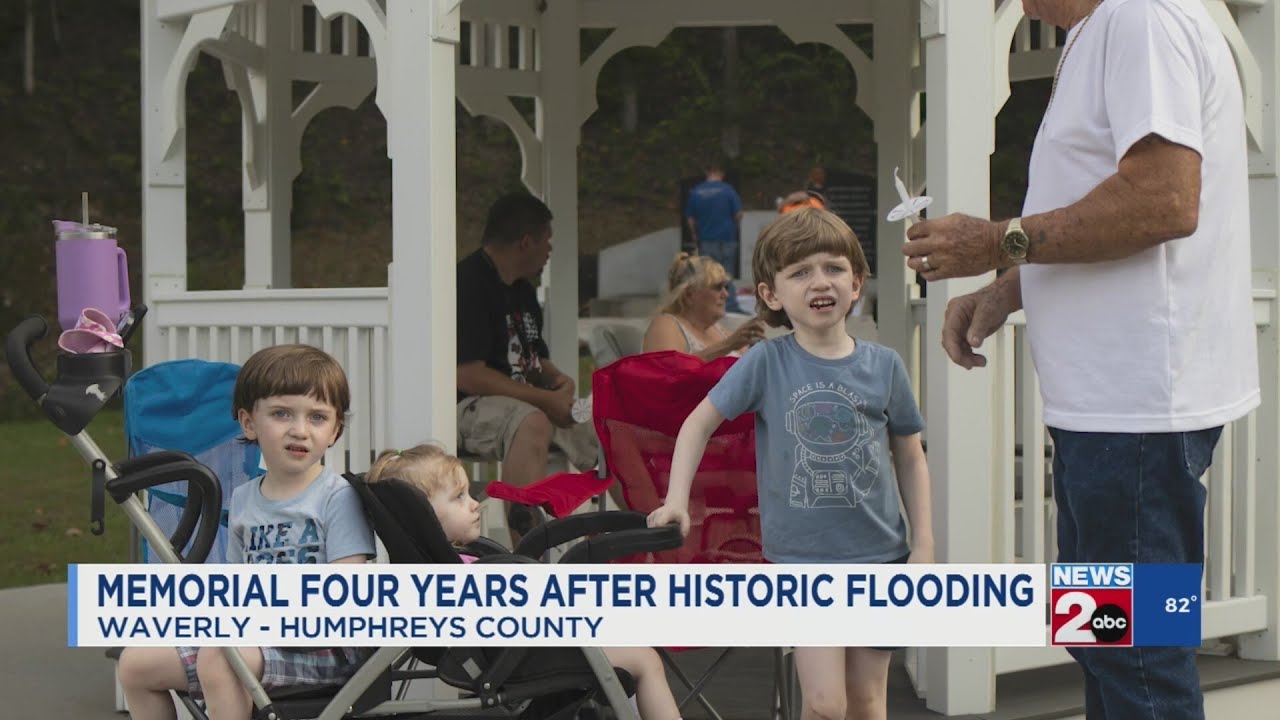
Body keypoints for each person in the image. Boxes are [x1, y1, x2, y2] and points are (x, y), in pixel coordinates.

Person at [900, 1, 1258, 718]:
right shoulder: (1109, 29)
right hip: (1116, 414)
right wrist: (1008, 289)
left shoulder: (1140, 19)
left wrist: (996, 241)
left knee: (1136, 658)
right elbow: (1107, 207)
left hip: (1135, 417)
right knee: (1106, 641)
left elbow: (1163, 201)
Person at [648, 208, 933, 720]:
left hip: (883, 558)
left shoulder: (885, 365)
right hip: (802, 565)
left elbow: (910, 456)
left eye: (833, 268)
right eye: (800, 272)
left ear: (857, 282)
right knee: (825, 704)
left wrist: (925, 546)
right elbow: (697, 423)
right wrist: (675, 501)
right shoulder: (766, 362)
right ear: (771, 295)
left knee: (869, 701)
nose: (819, 282)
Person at [116, 345, 377, 720]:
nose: (299, 429)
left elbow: (344, 598)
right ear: (249, 422)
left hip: (324, 650)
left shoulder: (337, 497)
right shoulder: (242, 498)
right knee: (135, 665)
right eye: (281, 413)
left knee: (222, 657)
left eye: (317, 417)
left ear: (335, 430)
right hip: (255, 639)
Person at [366, 444, 684, 720]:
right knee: (645, 660)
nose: (475, 503)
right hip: (519, 658)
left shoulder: (453, 566)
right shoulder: (463, 572)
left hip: (521, 650)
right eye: (459, 497)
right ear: (428, 518)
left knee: (629, 647)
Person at [456, 193, 600, 539]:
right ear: (526, 242)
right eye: (547, 240)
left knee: (606, 427)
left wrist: (558, 381)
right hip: (466, 405)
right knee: (532, 421)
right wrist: (542, 400)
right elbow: (468, 373)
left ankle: (648, 539)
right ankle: (527, 553)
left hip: (524, 402)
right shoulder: (469, 284)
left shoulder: (522, 291)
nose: (549, 250)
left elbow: (534, 359)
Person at [642, 252, 765, 361]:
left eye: (726, 287)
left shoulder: (722, 332)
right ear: (689, 295)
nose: (726, 294)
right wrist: (727, 345)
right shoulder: (666, 324)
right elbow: (667, 375)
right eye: (717, 287)